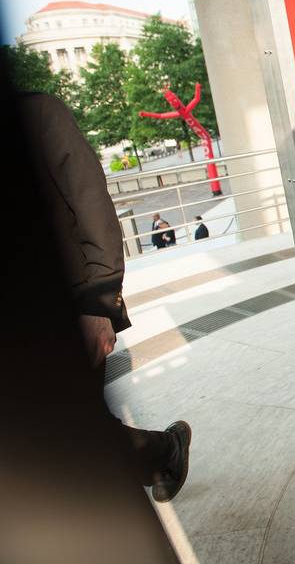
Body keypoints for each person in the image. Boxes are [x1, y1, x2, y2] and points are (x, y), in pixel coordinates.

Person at [20, 92, 192, 504]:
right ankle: (162, 452)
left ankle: (165, 451)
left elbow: (91, 202)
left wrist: (98, 304)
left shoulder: (38, 113)